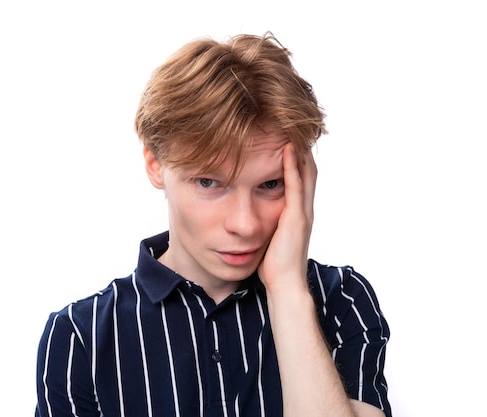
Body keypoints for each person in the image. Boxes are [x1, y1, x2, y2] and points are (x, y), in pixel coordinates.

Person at [35, 32, 392, 417]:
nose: (245, 224)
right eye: (209, 182)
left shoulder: (341, 300)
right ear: (155, 165)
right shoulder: (80, 337)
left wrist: (288, 291)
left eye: (270, 184)